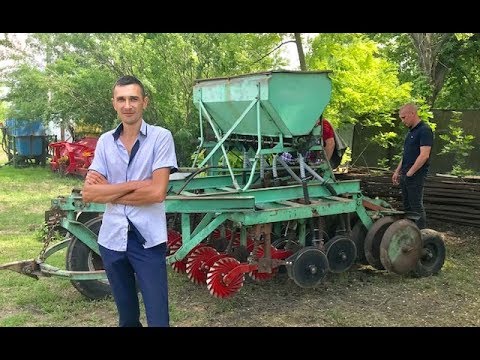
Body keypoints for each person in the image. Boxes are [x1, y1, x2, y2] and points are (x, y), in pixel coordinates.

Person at [82, 75, 178, 327]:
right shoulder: (105, 141)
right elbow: (89, 194)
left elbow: (157, 193)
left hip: (147, 240)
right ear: (114, 103)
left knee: (158, 320)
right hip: (112, 240)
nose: (128, 105)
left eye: (133, 99)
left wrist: (110, 190)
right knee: (127, 319)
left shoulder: (161, 138)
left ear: (144, 102)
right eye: (121, 99)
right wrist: (138, 184)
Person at [392, 102, 433, 230]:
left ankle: (421, 236)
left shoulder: (425, 130)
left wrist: (411, 172)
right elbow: (406, 155)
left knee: (416, 206)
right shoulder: (410, 132)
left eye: (404, 117)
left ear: (412, 113)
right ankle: (411, 233)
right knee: (407, 206)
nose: (402, 121)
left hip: (416, 175)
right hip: (406, 174)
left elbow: (424, 155)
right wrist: (397, 171)